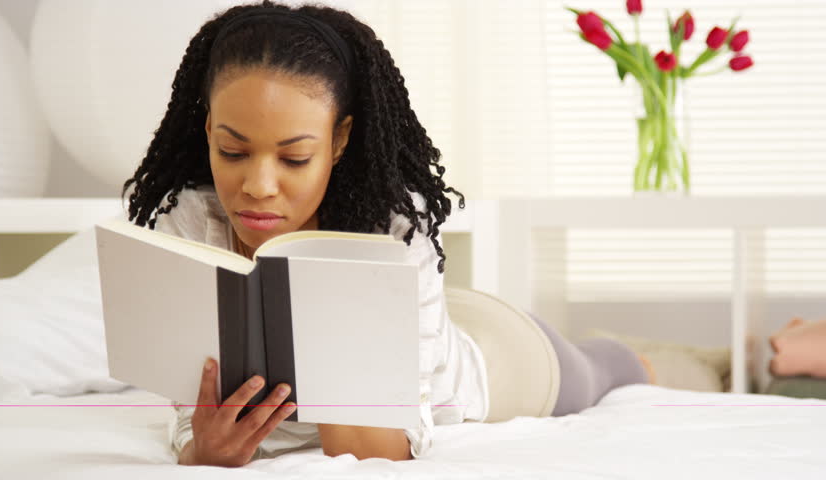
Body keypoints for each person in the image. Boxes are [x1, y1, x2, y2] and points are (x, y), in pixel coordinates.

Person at [121, 0, 654, 468]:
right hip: (429, 317)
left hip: (497, 354)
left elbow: (380, 452)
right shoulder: (188, 221)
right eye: (232, 152)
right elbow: (189, 420)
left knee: (611, 368)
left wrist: (319, 308)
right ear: (208, 129)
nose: (258, 187)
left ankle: (660, 356)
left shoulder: (393, 226)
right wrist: (202, 452)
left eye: (295, 157)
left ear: (339, 140)